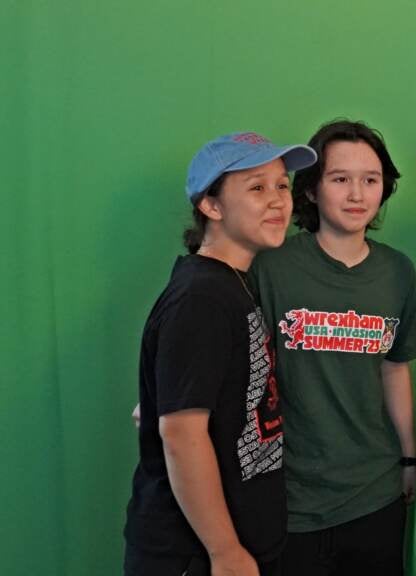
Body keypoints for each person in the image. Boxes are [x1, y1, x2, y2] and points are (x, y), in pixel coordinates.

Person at [124, 132, 316, 576]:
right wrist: (225, 551)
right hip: (193, 554)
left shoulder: (229, 285)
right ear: (211, 207)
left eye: (282, 185)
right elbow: (181, 435)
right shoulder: (201, 298)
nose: (277, 201)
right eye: (256, 187)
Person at [249, 119, 416, 576]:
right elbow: (238, 364)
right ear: (310, 191)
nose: (356, 194)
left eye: (370, 180)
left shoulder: (398, 272)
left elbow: (394, 368)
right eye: (340, 179)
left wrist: (409, 458)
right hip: (291, 495)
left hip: (375, 492)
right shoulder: (271, 266)